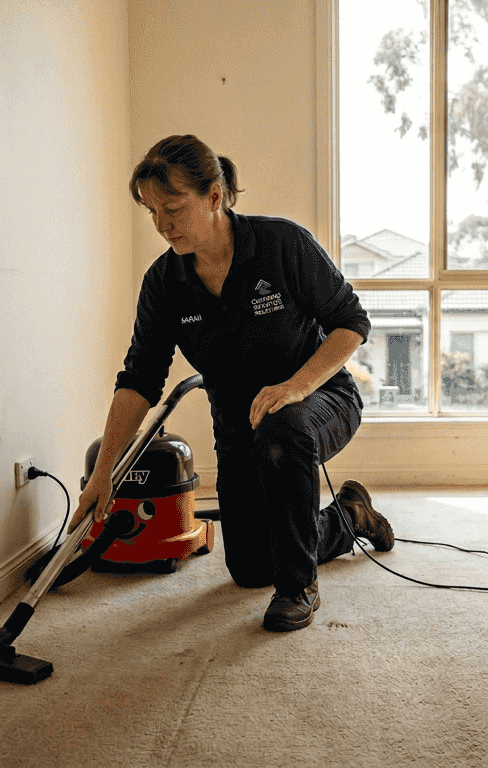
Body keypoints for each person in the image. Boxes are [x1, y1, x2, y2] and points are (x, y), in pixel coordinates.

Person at [68, 135, 394, 632]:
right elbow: (139, 378)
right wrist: (103, 472)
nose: (162, 224)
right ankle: (351, 515)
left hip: (320, 398)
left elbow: (352, 322)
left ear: (215, 197)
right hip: (239, 426)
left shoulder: (283, 244)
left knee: (283, 434)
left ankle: (298, 588)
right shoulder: (164, 284)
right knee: (249, 568)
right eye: (153, 212)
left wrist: (298, 385)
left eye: (173, 207)